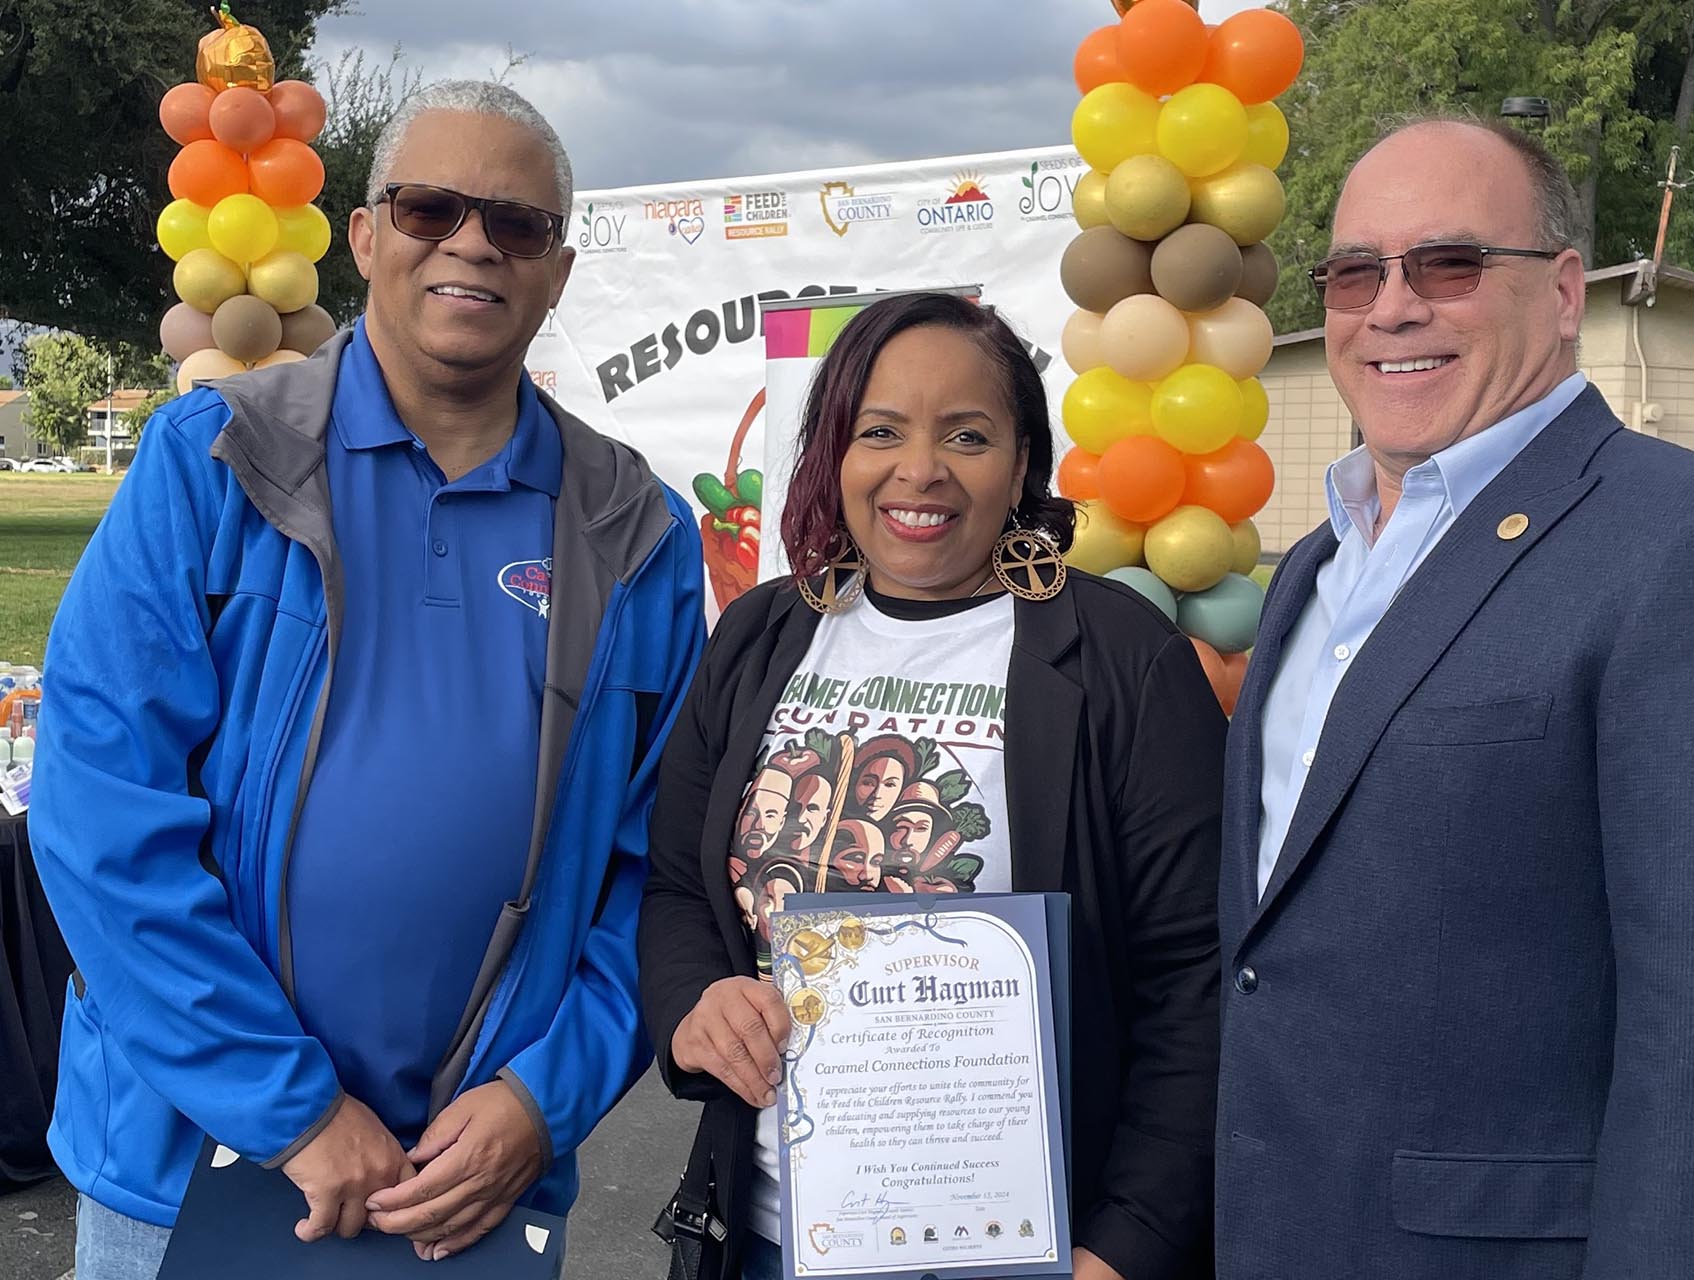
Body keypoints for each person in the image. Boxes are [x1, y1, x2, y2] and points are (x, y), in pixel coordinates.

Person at [29, 81, 704, 1278]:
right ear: (365, 234)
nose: (471, 245)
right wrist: (288, 1106)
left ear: (554, 269)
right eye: (430, 206)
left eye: (517, 225)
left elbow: (655, 876)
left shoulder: (634, 529)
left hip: (471, 1188)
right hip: (185, 1176)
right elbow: (101, 817)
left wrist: (543, 1099)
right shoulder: (213, 462)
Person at [1215, 117, 1694, 1280]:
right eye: (1357, 271)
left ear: (1566, 291)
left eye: (1450, 263)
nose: (1393, 306)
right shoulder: (1311, 571)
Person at [638, 292, 1224, 1280]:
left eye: (967, 433)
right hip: (774, 1229)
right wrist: (695, 1000)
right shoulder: (761, 635)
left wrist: (1124, 1243)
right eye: (881, 431)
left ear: (1022, 460)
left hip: (1035, 1247)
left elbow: (1200, 979)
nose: (920, 469)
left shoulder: (1125, 660)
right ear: (836, 451)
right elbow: (677, 890)